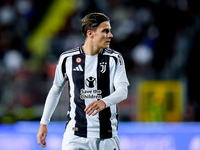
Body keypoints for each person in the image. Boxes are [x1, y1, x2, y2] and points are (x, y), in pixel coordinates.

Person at [37, 12, 129, 150]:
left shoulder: (114, 58)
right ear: (90, 33)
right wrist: (44, 123)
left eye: (110, 31)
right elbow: (56, 89)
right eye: (105, 31)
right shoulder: (67, 59)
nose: (111, 35)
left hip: (107, 136)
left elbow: (123, 91)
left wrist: (104, 102)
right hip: (75, 136)